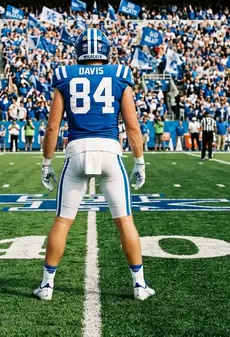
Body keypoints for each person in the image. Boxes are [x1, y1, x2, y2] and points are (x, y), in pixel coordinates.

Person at [34, 29, 154, 302]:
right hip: (110, 151)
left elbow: (53, 127)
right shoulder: (119, 74)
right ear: (105, 49)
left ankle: (47, 285)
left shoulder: (65, 75)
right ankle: (139, 285)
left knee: (62, 222)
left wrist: (46, 163)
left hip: (76, 151)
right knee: (125, 221)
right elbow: (132, 126)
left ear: (78, 51)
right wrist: (139, 161)